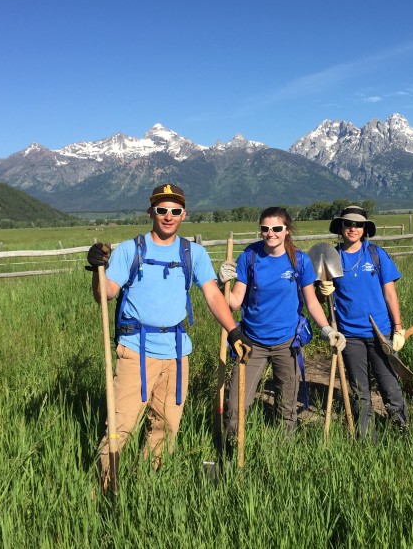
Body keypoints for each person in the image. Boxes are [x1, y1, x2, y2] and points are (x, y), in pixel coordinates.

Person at [85, 183, 248, 488]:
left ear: (183, 214)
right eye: (162, 210)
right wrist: (99, 270)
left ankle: (150, 486)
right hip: (135, 351)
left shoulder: (193, 253)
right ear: (151, 212)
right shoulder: (130, 249)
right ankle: (105, 491)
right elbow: (105, 294)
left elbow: (213, 296)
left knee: (167, 425)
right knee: (120, 426)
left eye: (175, 210)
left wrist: (234, 330)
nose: (168, 216)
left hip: (176, 352)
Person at [217, 207, 345, 441]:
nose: (270, 233)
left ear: (287, 230)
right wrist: (220, 283)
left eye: (276, 228)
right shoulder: (250, 256)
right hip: (251, 343)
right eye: (265, 229)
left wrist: (327, 329)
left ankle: (284, 451)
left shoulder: (300, 260)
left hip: (287, 344)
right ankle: (230, 451)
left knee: (286, 408)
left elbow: (312, 303)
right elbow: (234, 302)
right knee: (236, 405)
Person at [316, 205, 408, 439]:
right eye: (348, 224)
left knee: (389, 385)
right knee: (359, 389)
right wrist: (322, 290)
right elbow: (317, 298)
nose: (353, 228)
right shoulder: (330, 257)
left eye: (358, 224)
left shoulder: (376, 255)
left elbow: (390, 293)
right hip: (349, 333)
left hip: (380, 332)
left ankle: (401, 431)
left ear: (365, 229)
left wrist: (398, 328)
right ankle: (366, 437)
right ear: (341, 227)